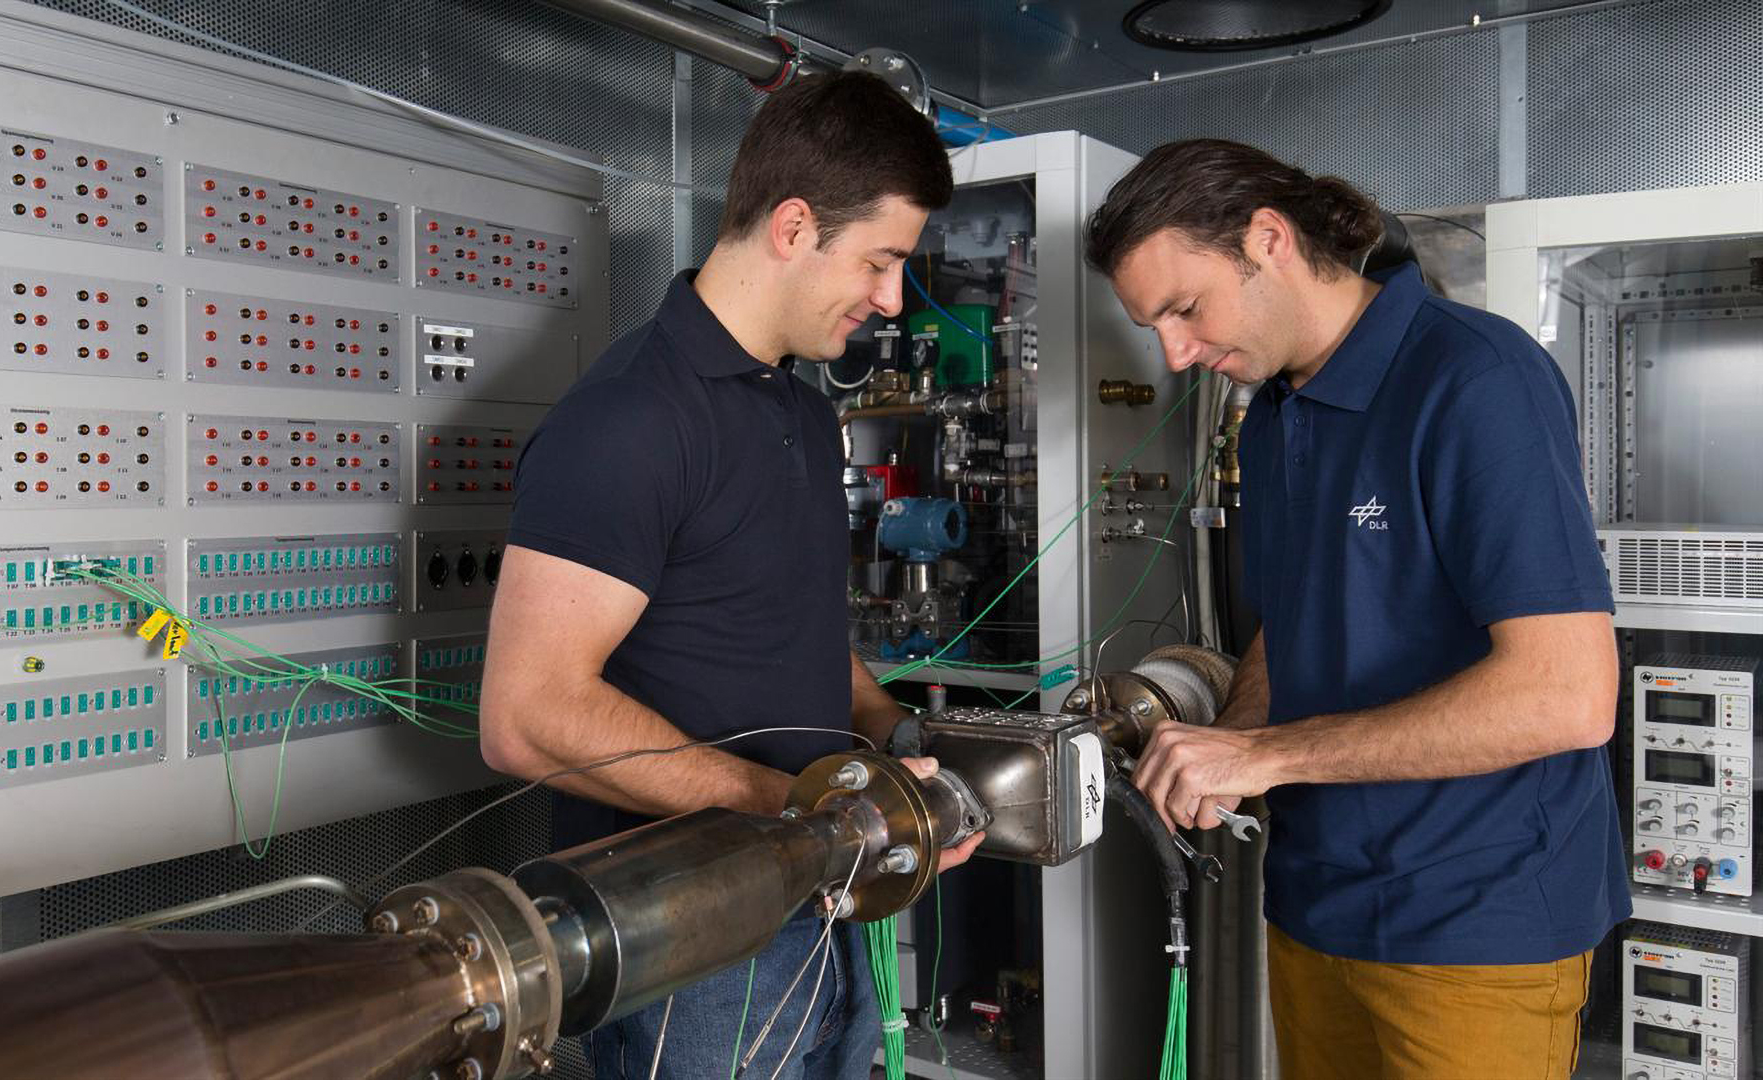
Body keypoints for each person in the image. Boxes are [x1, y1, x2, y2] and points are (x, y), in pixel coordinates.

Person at [1085, 139, 1627, 1078]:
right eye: (1154, 329)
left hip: (1474, 928)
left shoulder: (1474, 379)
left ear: (1268, 239)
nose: (1179, 353)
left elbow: (1566, 695)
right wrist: (1233, 739)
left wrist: (1264, 753)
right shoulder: (1273, 415)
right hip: (1315, 907)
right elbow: (1296, 625)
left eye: (1184, 309)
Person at [479, 70, 982, 1079]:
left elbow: (787, 633)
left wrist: (894, 738)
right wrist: (799, 809)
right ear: (795, 227)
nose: (891, 300)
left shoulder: (799, 410)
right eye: (882, 261)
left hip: (818, 906)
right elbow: (525, 714)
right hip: (690, 942)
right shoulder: (630, 420)